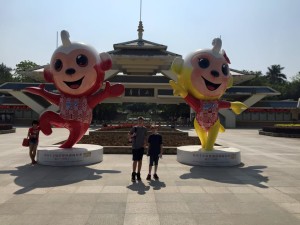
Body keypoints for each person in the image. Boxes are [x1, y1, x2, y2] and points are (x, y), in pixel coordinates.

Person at [128, 116, 147, 182]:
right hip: (135, 146)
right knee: (135, 160)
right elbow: (129, 135)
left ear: (143, 122)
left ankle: (138, 174)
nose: (140, 122)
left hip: (141, 147)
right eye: (139, 121)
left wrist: (145, 144)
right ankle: (133, 174)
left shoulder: (144, 129)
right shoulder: (134, 128)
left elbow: (145, 137)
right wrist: (132, 135)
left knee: (140, 161)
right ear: (137, 121)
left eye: (141, 121)